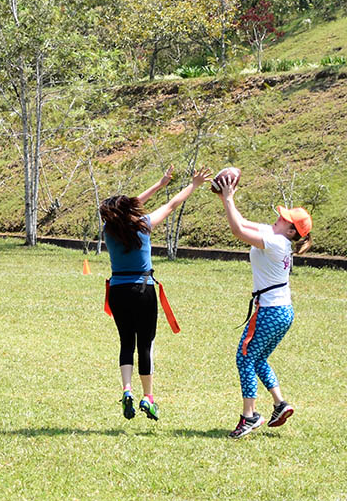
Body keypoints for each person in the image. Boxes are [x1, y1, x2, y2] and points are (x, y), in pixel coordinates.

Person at [98, 166, 210, 421]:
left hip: (118, 290)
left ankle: (127, 391)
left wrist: (158, 185)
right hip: (143, 290)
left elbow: (130, 206)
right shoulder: (144, 225)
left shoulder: (109, 229)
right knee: (145, 345)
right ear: (130, 210)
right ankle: (147, 398)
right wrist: (193, 185)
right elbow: (172, 205)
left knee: (126, 343)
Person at [214, 176, 311, 439]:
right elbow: (242, 223)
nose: (279, 218)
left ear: (291, 232)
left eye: (285, 219)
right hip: (282, 311)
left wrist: (229, 198)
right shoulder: (275, 234)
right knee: (258, 358)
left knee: (244, 357)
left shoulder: (278, 242)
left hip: (270, 311)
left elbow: (237, 232)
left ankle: (249, 416)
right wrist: (226, 198)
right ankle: (280, 404)